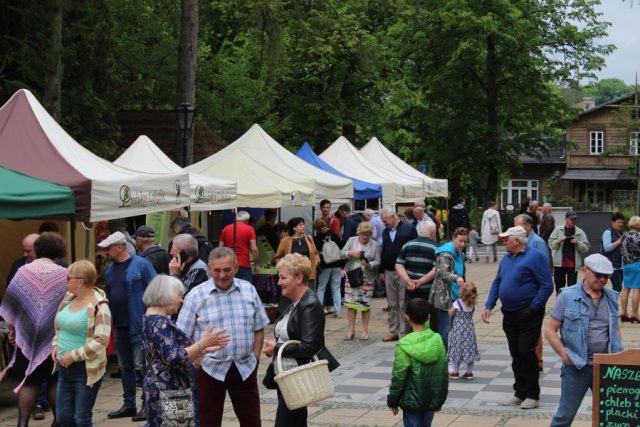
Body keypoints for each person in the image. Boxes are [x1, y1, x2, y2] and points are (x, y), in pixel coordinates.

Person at [176, 247, 269, 426]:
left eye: (227, 270)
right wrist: (198, 358)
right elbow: (181, 335)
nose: (222, 275)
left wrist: (256, 356)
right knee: (209, 422)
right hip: (210, 368)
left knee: (252, 421)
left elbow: (259, 327)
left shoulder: (248, 290)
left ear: (235, 267)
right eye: (217, 270)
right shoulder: (196, 295)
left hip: (245, 367)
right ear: (209, 269)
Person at [545, 254, 624, 426]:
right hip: (577, 365)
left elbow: (615, 327)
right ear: (584, 271)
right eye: (598, 275)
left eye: (607, 276)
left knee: (613, 416)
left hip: (606, 366)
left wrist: (619, 353)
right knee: (564, 416)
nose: (603, 280)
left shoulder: (612, 297)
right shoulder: (567, 296)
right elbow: (550, 330)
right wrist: (564, 354)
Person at [0, 232, 68, 427]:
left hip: (26, 338)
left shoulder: (23, 271)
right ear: (58, 251)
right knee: (55, 381)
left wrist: (13, 331)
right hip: (55, 339)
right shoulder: (64, 274)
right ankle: (59, 422)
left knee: (29, 382)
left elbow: (12, 305)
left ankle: (22, 423)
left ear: (37, 250)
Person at [142, 275, 229, 427]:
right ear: (166, 294)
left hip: (168, 390)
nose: (181, 300)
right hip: (170, 392)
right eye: (179, 295)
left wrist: (201, 349)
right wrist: (202, 344)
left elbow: (169, 352)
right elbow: (174, 357)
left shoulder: (154, 319)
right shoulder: (158, 322)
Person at [262, 253, 339, 427]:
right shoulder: (297, 302)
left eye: (283, 277)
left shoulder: (309, 304)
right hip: (288, 377)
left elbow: (310, 346)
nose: (279, 282)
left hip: (296, 379)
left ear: (299, 278)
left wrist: (276, 347)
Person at [482, 226, 553, 410]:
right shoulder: (507, 258)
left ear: (517, 241)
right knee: (515, 353)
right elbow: (498, 281)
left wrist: (534, 307)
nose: (503, 241)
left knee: (526, 351)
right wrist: (489, 304)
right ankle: (519, 392)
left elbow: (547, 285)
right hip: (509, 312)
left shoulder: (536, 257)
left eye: (506, 239)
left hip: (529, 312)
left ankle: (532, 394)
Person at [99, 231, 156, 421]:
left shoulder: (142, 264)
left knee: (142, 367)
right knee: (125, 367)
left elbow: (156, 290)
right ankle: (129, 404)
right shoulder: (109, 269)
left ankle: (148, 405)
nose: (106, 252)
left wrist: (150, 316)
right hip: (120, 325)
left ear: (120, 247)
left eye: (108, 248)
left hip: (139, 324)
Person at [52, 260, 112, 427]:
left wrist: (73, 356)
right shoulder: (68, 299)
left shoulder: (99, 306)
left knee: (81, 419)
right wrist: (55, 345)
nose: (66, 281)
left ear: (80, 281)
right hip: (64, 368)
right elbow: (60, 327)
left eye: (68, 278)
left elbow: (102, 340)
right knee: (63, 418)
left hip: (85, 370)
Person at [386, 298, 448, 427]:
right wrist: (439, 400)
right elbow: (443, 372)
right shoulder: (437, 339)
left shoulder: (404, 344)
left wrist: (393, 401)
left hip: (411, 400)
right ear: (429, 317)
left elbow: (399, 376)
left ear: (407, 318)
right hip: (431, 398)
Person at [514, 213, 550, 372]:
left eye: (518, 226)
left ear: (528, 227)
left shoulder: (538, 243)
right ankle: (528, 358)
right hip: (522, 295)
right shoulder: (520, 242)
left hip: (534, 294)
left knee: (534, 327)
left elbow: (544, 272)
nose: (515, 229)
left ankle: (538, 360)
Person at [380, 207, 419, 342]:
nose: (384, 224)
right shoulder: (385, 232)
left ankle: (404, 331)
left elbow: (415, 248)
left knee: (404, 302)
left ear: (393, 217)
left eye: (386, 221)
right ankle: (393, 330)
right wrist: (381, 270)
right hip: (389, 270)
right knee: (392, 303)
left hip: (404, 271)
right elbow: (383, 250)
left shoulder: (408, 229)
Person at [429, 227, 468, 351]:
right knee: (445, 328)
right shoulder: (445, 253)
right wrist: (456, 277)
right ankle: (443, 355)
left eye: (465, 242)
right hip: (445, 296)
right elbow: (441, 272)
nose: (463, 244)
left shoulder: (460, 253)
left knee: (453, 326)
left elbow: (462, 272)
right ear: (453, 238)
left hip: (457, 294)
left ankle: (450, 352)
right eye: (460, 241)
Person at [341, 222, 381, 340]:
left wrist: (369, 264)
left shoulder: (375, 245)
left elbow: (378, 261)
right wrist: (350, 253)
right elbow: (341, 253)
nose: (365, 237)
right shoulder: (351, 240)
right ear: (359, 233)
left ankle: (364, 330)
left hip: (367, 278)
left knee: (364, 305)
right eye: (363, 234)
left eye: (368, 234)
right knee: (351, 304)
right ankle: (351, 330)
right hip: (352, 276)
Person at [395, 221, 438, 331]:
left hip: (410, 290)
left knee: (411, 319)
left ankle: (410, 343)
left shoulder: (407, 245)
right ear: (433, 233)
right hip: (429, 292)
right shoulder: (436, 248)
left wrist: (408, 280)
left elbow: (399, 264)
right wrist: (420, 282)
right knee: (430, 322)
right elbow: (436, 269)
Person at [548, 211, 590, 294]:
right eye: (571, 219)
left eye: (575, 219)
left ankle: (571, 304)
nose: (574, 221)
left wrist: (577, 242)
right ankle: (560, 304)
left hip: (573, 265)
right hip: (559, 264)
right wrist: (559, 241)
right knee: (559, 287)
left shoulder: (580, 232)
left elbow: (585, 248)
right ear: (566, 219)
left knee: (572, 288)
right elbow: (550, 245)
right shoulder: (558, 230)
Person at [448, 282, 480, 380]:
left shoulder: (457, 303)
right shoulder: (473, 304)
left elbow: (450, 314)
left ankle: (455, 372)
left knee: (457, 348)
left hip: (458, 329)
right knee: (469, 348)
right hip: (469, 329)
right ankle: (469, 372)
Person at [275, 217, 319, 288]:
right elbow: (278, 257)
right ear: (294, 228)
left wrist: (316, 262)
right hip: (293, 275)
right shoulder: (285, 240)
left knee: (308, 296)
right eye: (300, 225)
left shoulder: (308, 238)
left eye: (303, 225)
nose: (303, 226)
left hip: (308, 275)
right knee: (295, 297)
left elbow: (315, 253)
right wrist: (285, 268)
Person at [313, 218, 343, 318]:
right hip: (337, 264)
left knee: (321, 288)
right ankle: (337, 310)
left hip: (325, 265)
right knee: (336, 288)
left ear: (316, 228)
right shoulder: (334, 235)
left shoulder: (316, 238)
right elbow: (341, 248)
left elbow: (316, 252)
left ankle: (319, 310)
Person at [219, 210, 259, 282]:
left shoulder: (225, 229)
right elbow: (254, 249)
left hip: (228, 263)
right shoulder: (250, 229)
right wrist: (256, 265)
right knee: (245, 289)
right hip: (244, 264)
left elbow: (220, 248)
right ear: (246, 221)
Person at [620, 216, 640, 323]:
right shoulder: (639, 236)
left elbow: (622, 250)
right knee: (636, 289)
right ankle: (635, 314)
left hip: (626, 265)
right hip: (637, 265)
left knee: (626, 288)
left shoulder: (624, 236)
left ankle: (624, 313)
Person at [601, 212, 625, 292]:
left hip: (620, 266)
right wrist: (619, 241)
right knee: (617, 287)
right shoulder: (608, 232)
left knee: (618, 288)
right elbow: (607, 248)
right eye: (619, 222)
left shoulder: (621, 233)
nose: (621, 224)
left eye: (622, 222)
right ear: (613, 222)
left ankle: (611, 303)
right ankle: (611, 303)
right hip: (612, 266)